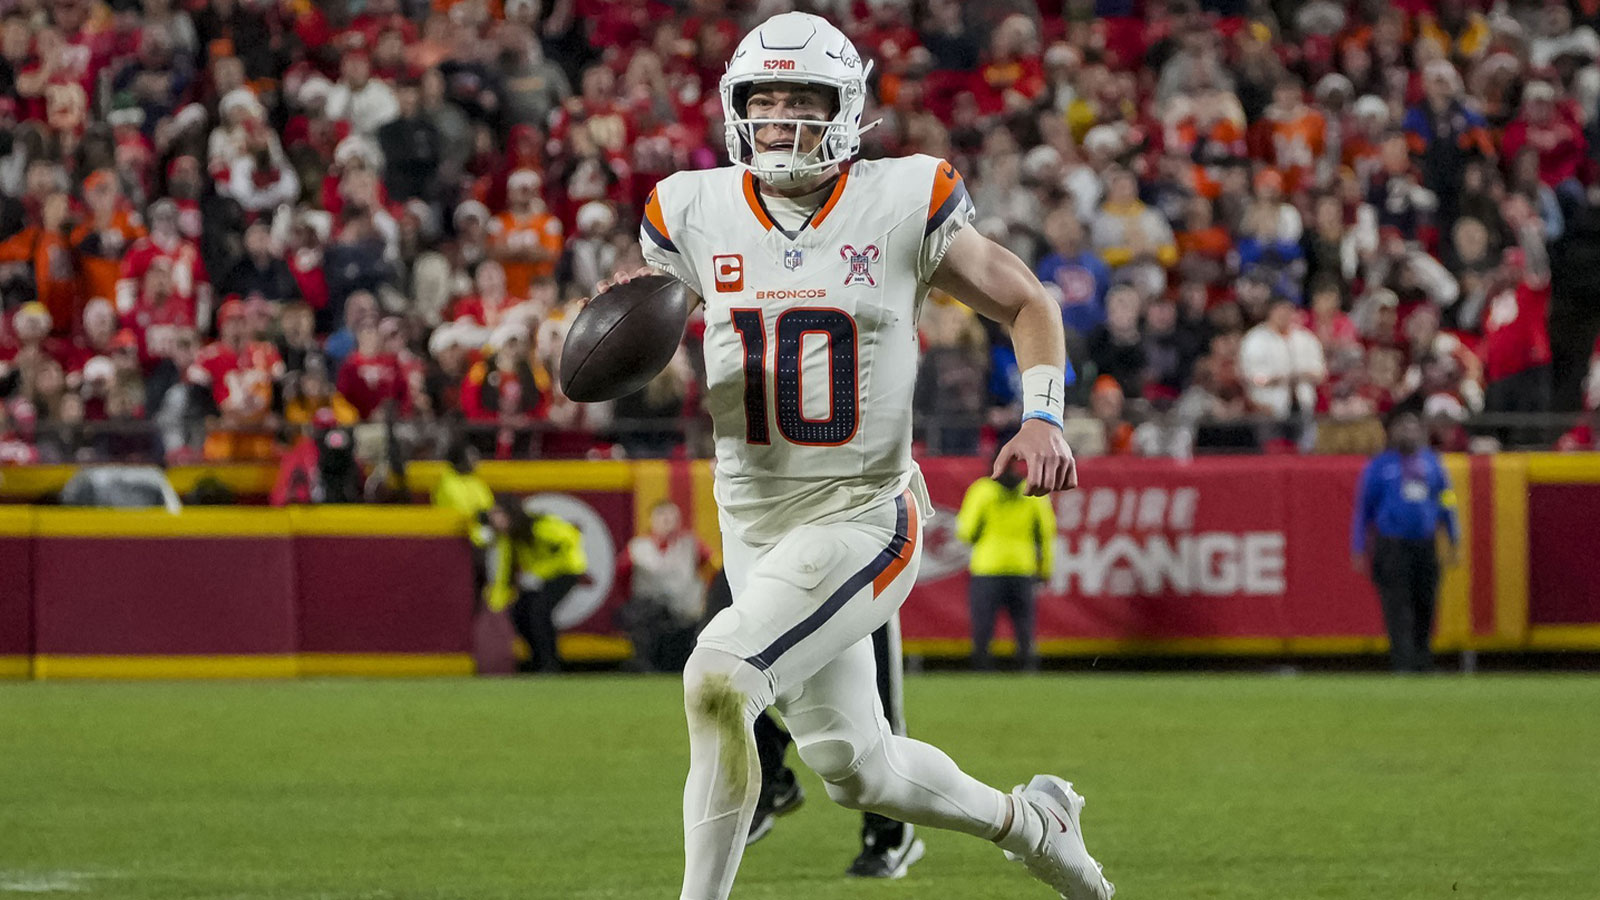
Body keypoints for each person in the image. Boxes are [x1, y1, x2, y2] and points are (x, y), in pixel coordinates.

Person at [588, 14, 1111, 900]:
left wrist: (1045, 415)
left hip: (865, 513)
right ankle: (1035, 823)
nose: (783, 119)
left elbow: (1027, 302)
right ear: (736, 107)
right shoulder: (690, 209)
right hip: (754, 523)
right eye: (766, 99)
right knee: (856, 767)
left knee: (718, 677)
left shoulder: (903, 197)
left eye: (803, 99)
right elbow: (660, 350)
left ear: (845, 109)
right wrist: (617, 348)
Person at [698, 569, 925, 879]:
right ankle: (768, 772)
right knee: (714, 665)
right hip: (770, 551)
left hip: (856, 557)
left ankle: (888, 835)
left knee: (877, 709)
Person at [1351, 411, 1460, 673]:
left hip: (1425, 543)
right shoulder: (1379, 467)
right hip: (1392, 545)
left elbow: (1447, 500)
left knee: (1426, 602)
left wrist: (1454, 536)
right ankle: (1402, 661)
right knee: (1396, 604)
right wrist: (1358, 547)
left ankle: (1423, 659)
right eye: (1403, 428)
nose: (1408, 433)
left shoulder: (1433, 464)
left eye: (1413, 428)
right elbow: (1363, 510)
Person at [957, 457, 1057, 671]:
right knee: (1023, 626)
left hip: (987, 566)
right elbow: (1046, 534)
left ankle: (982, 670)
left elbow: (966, 531)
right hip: (1022, 566)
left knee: (984, 626)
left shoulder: (982, 490)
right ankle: (1027, 669)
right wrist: (1046, 568)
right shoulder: (1033, 491)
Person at [485, 501, 588, 674]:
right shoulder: (510, 538)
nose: (496, 522)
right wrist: (496, 602)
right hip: (539, 578)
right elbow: (504, 571)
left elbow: (570, 539)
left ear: (511, 515)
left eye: (499, 516)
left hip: (567, 571)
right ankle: (539, 660)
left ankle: (549, 663)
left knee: (539, 611)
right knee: (519, 612)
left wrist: (541, 572)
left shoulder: (539, 526)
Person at [617, 500, 711, 673]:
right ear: (652, 520)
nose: (668, 521)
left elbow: (712, 569)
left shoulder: (691, 544)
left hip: (685, 609)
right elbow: (622, 576)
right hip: (650, 610)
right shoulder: (638, 547)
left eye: (672, 516)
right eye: (662, 516)